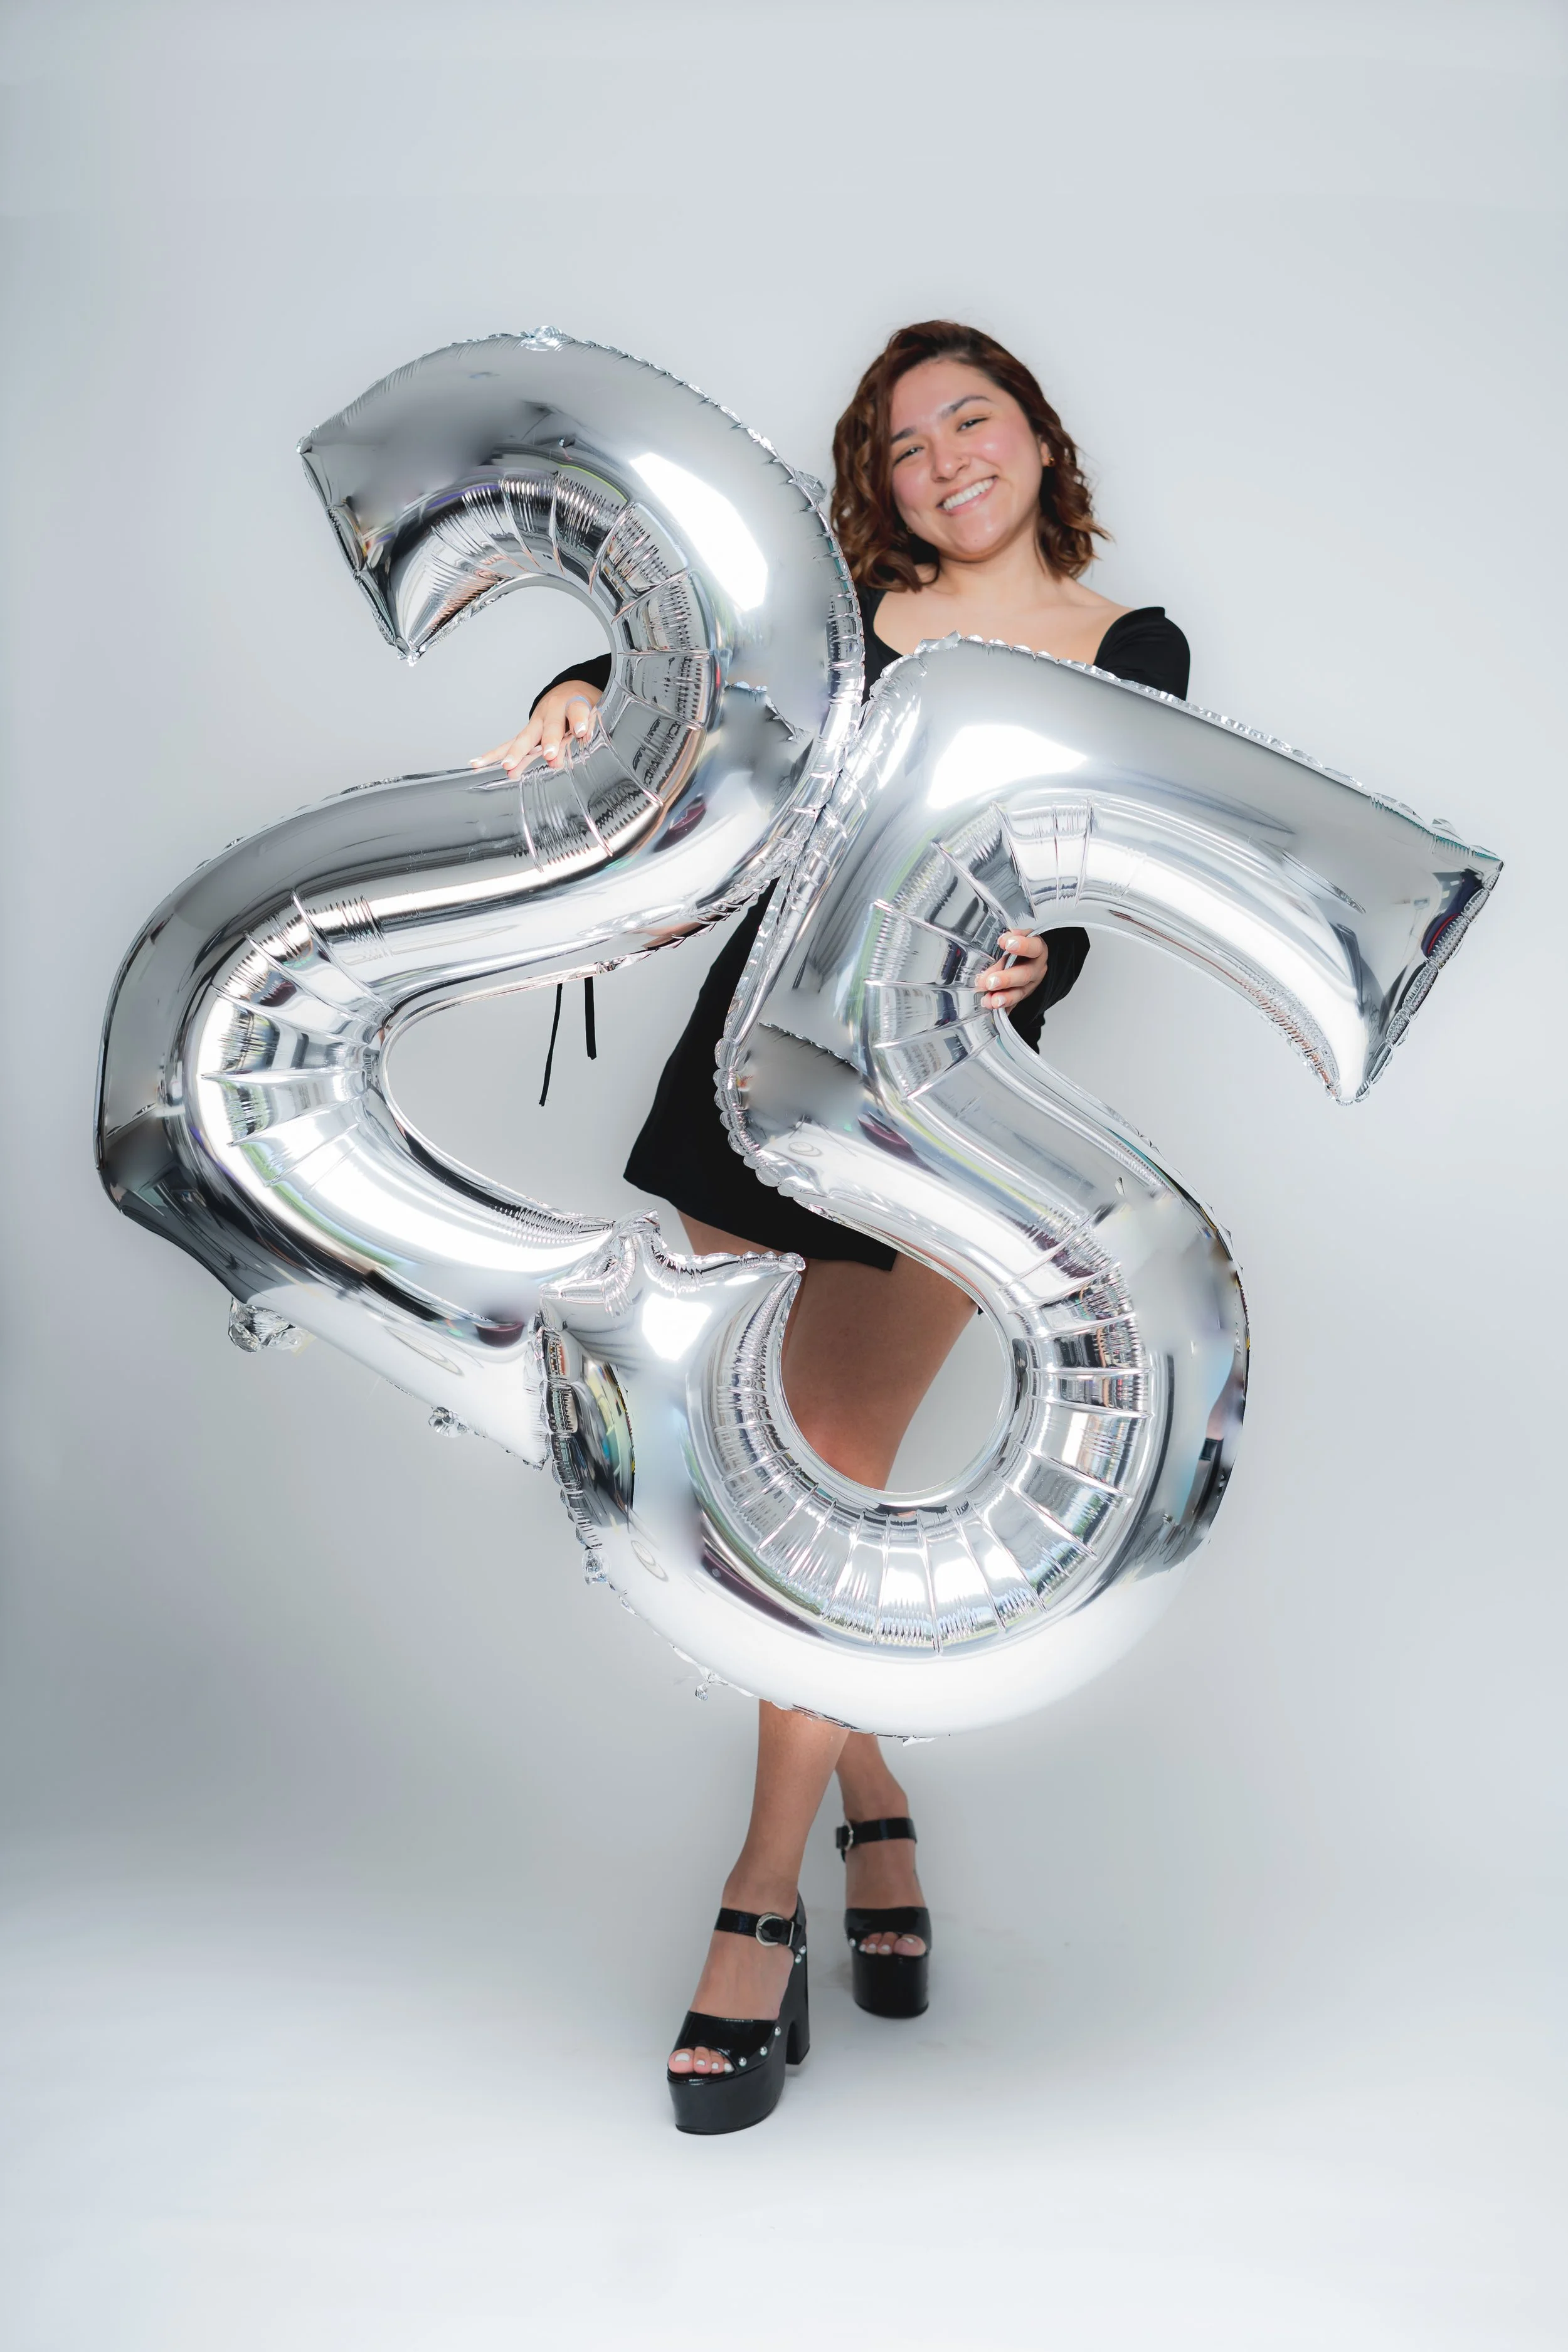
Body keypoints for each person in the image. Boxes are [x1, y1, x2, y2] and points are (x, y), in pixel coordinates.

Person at [475, 321, 1190, 2132]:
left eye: (972, 415)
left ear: (1037, 429)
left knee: (831, 1493)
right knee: (730, 1490)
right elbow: (708, 686)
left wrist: (1054, 951)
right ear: (875, 488)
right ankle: (876, 1815)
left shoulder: (1130, 648)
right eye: (898, 444)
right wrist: (577, 685)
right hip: (747, 1081)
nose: (942, 456)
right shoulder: (860, 627)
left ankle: (752, 1903)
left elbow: (1104, 861)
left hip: (944, 1110)